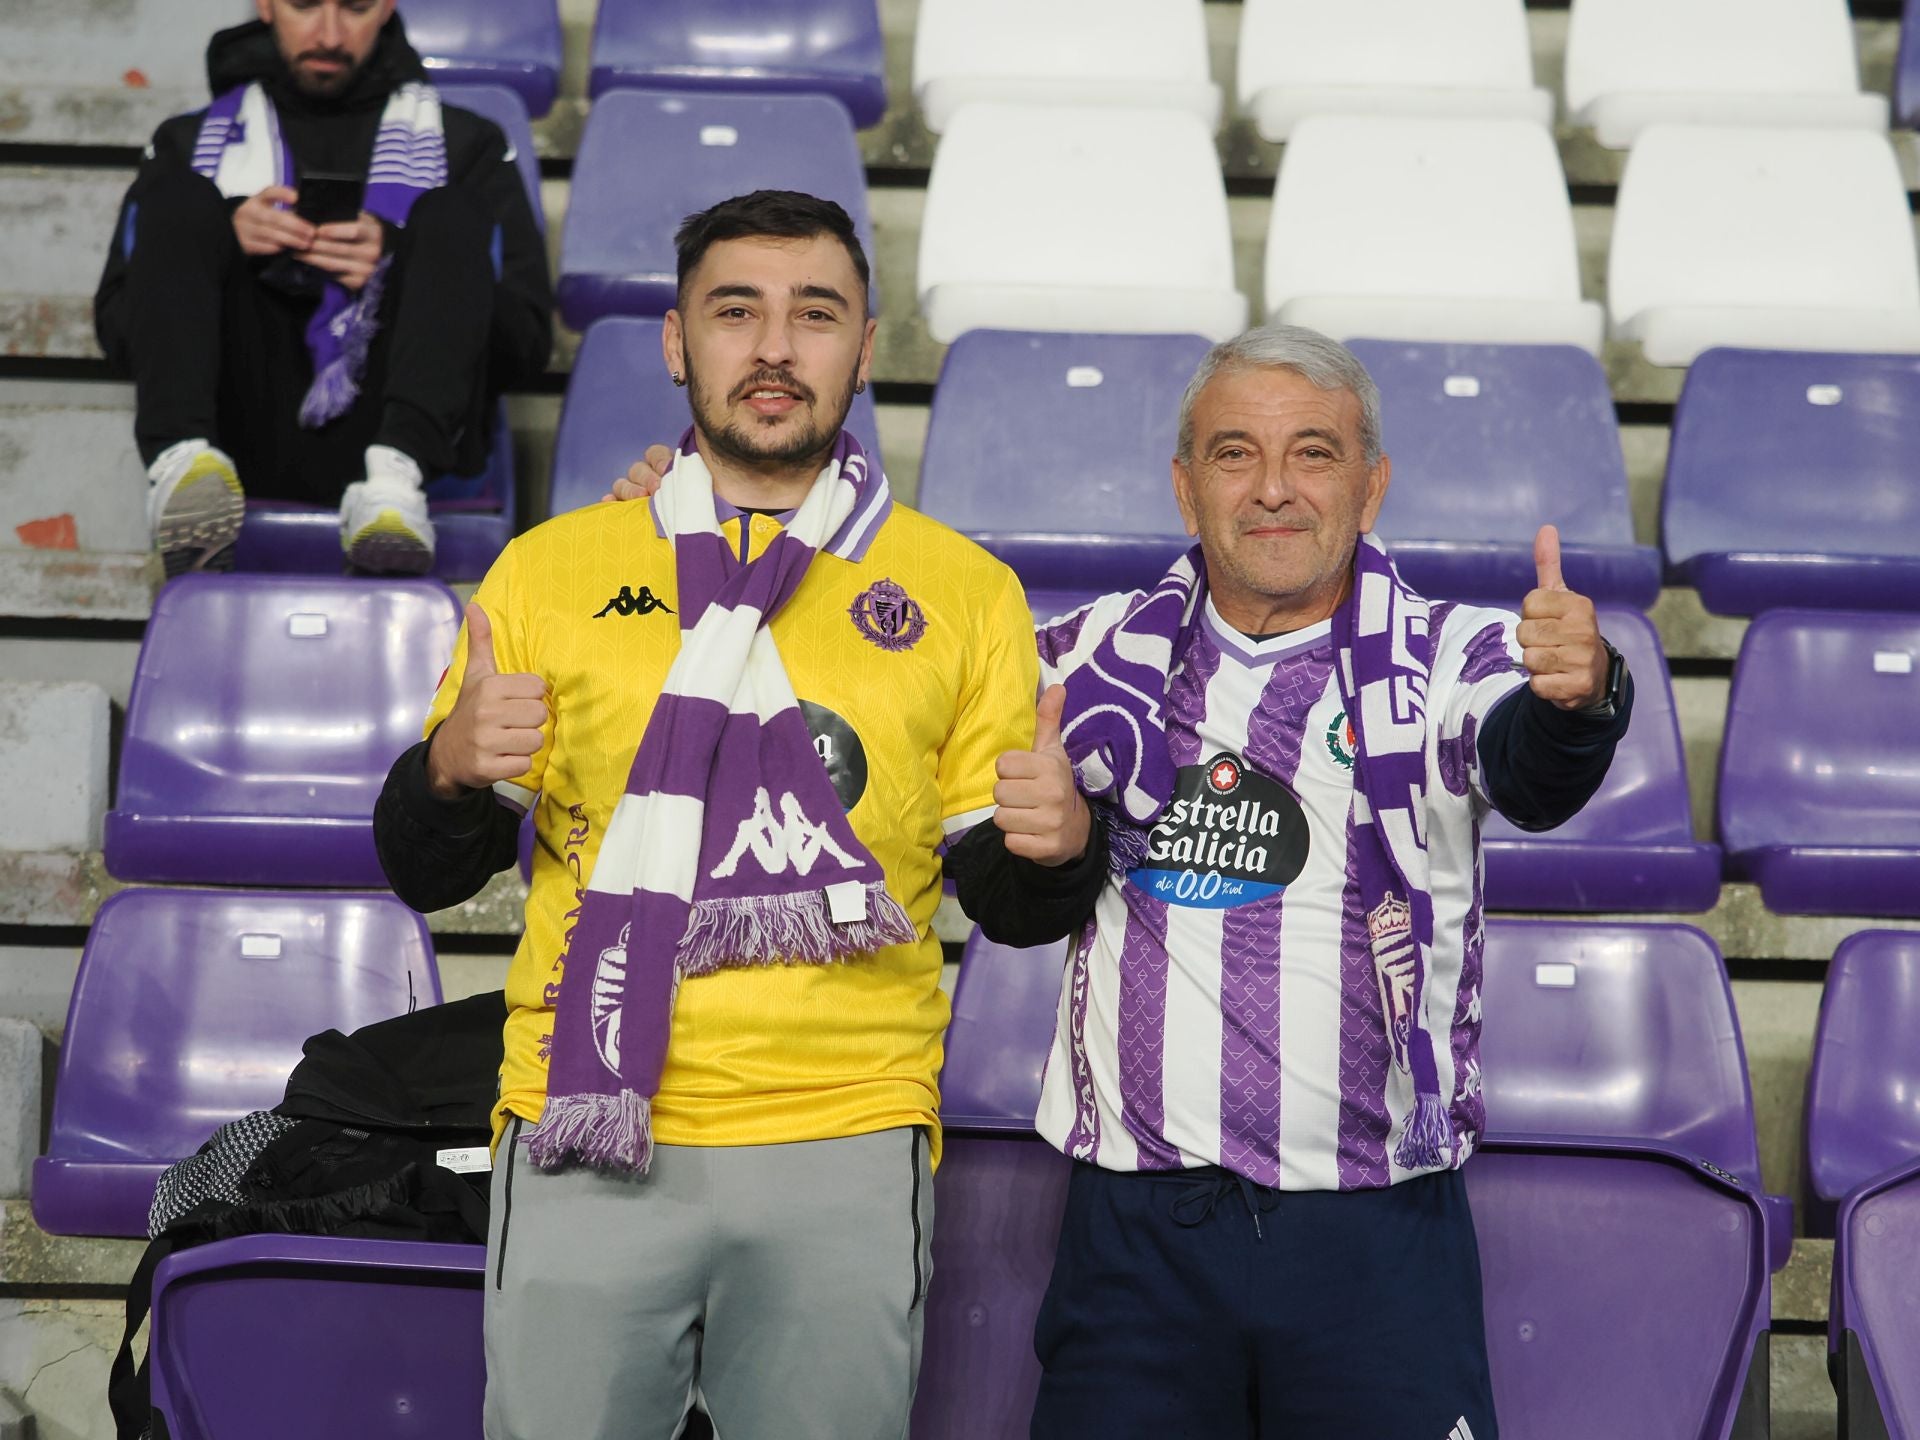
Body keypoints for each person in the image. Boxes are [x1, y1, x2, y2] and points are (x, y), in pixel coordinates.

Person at [615, 322, 1632, 1439]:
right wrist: (695, 538)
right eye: (1236, 454)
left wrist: (1581, 696)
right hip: (1140, 1245)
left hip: (1378, 1237)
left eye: (1316, 454)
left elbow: (1526, 766)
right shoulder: (1082, 659)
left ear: (1372, 485)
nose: (1276, 489)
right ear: (1184, 487)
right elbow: (856, 677)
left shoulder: (1451, 657)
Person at [372, 189, 1094, 1440]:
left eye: (815, 315)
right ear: (674, 343)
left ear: (866, 351)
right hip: (586, 1122)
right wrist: (444, 768)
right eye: (735, 312)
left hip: (846, 1132)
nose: (774, 348)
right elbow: (430, 871)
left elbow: (1015, 902)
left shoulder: (963, 590)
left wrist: (1061, 847)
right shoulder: (552, 569)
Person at [94, 0, 552, 576]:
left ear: (386, 7)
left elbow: (529, 345)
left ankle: (392, 483)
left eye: (355, 7)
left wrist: (402, 262)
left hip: (408, 442)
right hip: (237, 432)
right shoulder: (186, 145)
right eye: (305, 4)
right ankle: (186, 467)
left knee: (450, 213)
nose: (330, 33)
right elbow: (117, 331)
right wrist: (219, 238)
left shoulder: (469, 144)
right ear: (266, 4)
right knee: (184, 201)